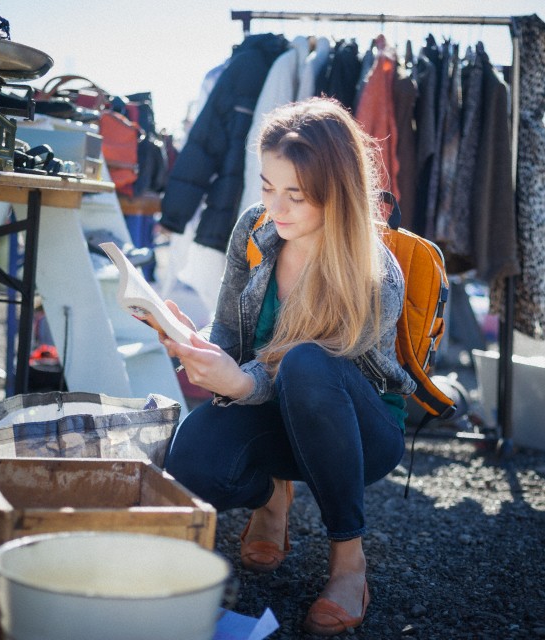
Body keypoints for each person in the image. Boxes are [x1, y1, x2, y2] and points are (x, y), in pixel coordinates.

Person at [147, 97, 416, 636]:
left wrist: (242, 381)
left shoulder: (373, 272)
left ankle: (348, 561)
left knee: (306, 365)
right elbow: (227, 327)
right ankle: (272, 498)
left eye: (296, 194)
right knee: (192, 463)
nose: (278, 207)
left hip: (360, 429)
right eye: (268, 187)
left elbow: (311, 372)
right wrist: (193, 340)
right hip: (274, 409)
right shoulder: (255, 229)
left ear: (336, 192)